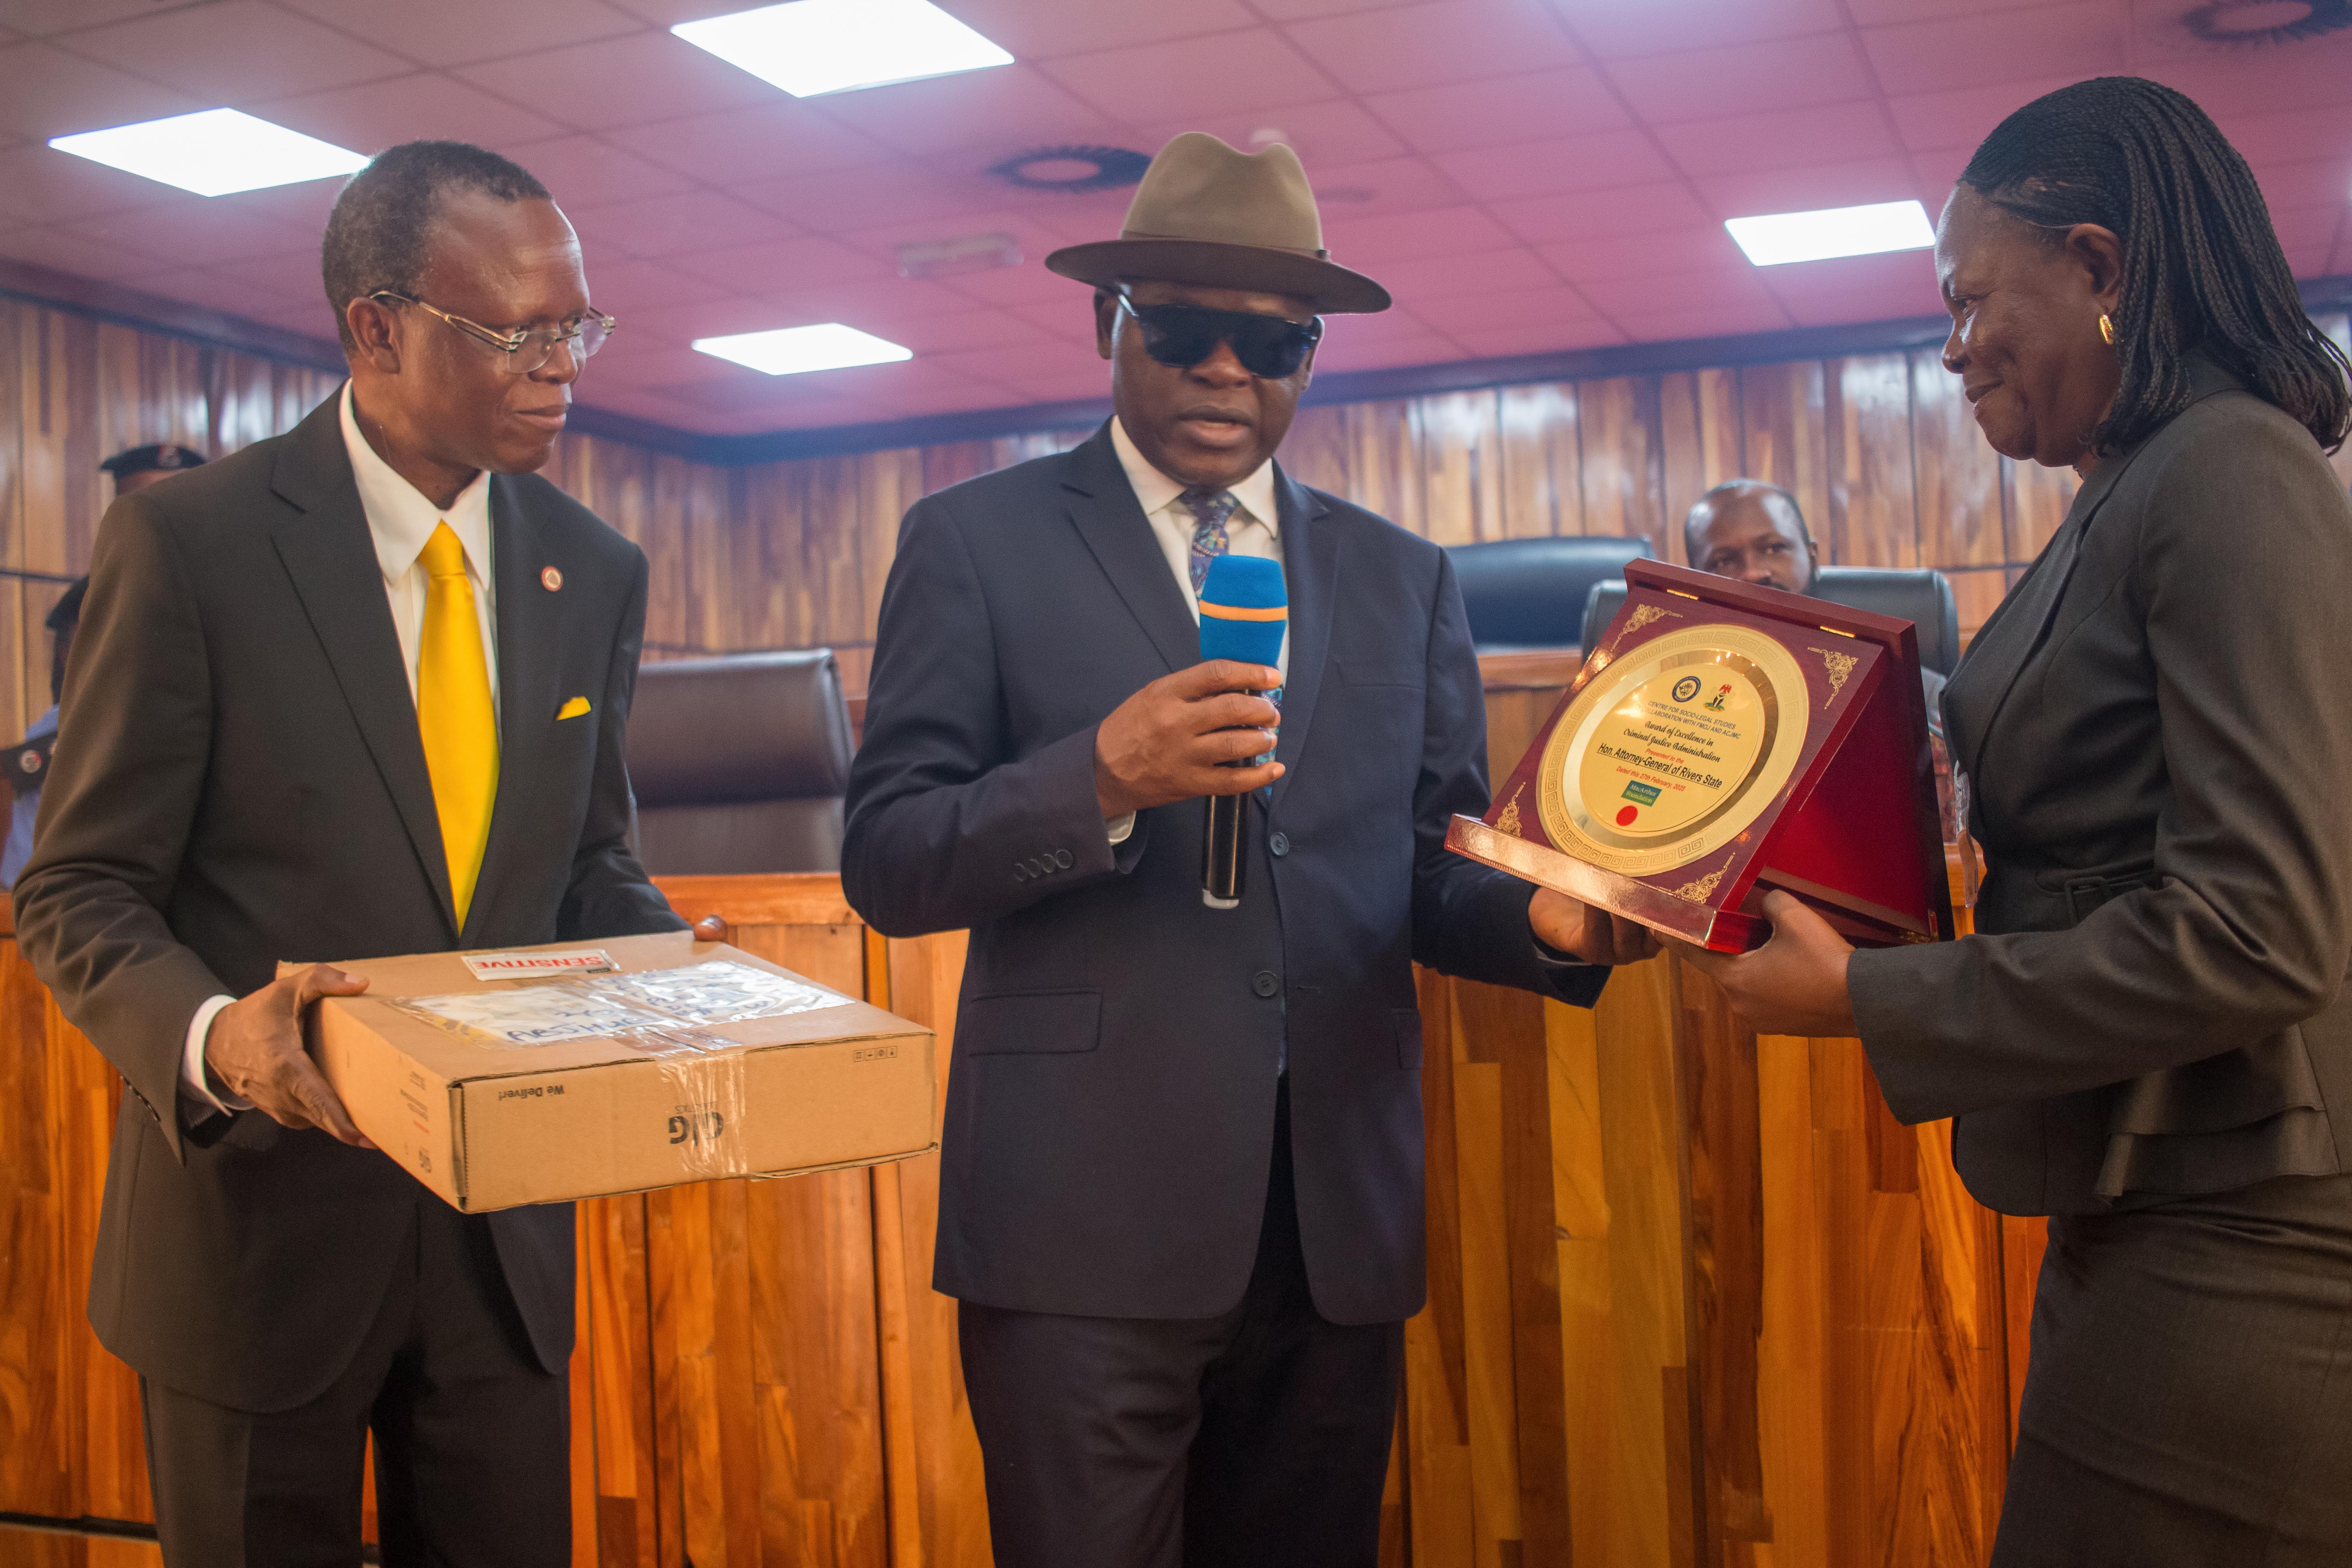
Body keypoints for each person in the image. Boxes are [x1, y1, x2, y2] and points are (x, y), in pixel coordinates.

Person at [843, 132, 1656, 1568]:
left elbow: (1426, 866)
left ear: (1310, 356)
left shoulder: (1403, 576)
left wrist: (1548, 924)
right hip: (1079, 1230)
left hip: (1331, 1223)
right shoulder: (975, 543)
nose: (1227, 370)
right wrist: (1098, 778)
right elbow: (890, 857)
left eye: (1273, 342)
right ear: (1107, 324)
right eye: (1181, 330)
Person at [1678, 78, 2352, 1566]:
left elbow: (2262, 932)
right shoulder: (2135, 484)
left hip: (2249, 1239)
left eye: (1973, 298)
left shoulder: (2228, 470)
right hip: (2153, 1195)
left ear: (2098, 267)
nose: (1951, 345)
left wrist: (1875, 997)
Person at [14, 141, 696, 1567]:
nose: (558, 368)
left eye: (574, 326)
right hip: (257, 1239)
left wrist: (676, 969)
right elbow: (79, 886)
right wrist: (217, 1037)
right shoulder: (189, 544)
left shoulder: (594, 568)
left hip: (500, 1250)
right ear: (376, 330)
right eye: (513, 332)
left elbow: (589, 859)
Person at [1, 446, 204, 886]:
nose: (158, 521)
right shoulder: (94, 599)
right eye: (137, 506)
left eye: (175, 504)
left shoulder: (245, 601)